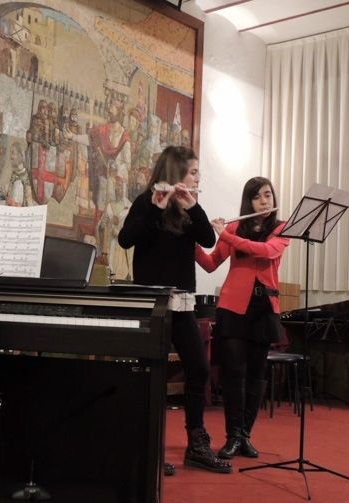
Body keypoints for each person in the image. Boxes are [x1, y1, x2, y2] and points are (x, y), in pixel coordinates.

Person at [118, 146, 231, 475]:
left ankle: (196, 445)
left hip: (181, 304)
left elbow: (207, 239)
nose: (197, 178)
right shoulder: (146, 202)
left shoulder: (188, 207)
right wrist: (156, 208)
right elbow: (126, 239)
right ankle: (148, 447)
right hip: (152, 305)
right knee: (151, 374)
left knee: (198, 368)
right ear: (176, 172)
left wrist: (192, 205)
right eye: (193, 172)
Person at [195, 176, 289, 459]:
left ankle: (246, 435)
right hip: (233, 308)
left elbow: (267, 252)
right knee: (234, 374)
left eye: (268, 195)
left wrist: (226, 235)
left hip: (264, 308)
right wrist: (191, 242)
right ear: (249, 201)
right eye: (257, 197)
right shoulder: (235, 227)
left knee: (256, 375)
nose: (264, 201)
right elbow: (210, 264)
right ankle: (233, 436)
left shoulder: (281, 228)